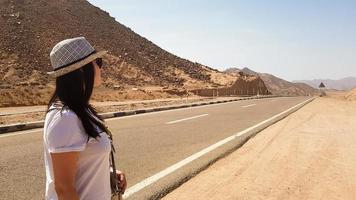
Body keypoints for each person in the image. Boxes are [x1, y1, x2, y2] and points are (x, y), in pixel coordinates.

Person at [43, 37, 127, 200]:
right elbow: (64, 188)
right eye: (98, 62)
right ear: (82, 70)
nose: (101, 68)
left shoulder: (80, 110)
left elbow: (81, 161)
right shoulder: (65, 118)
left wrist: (106, 171)